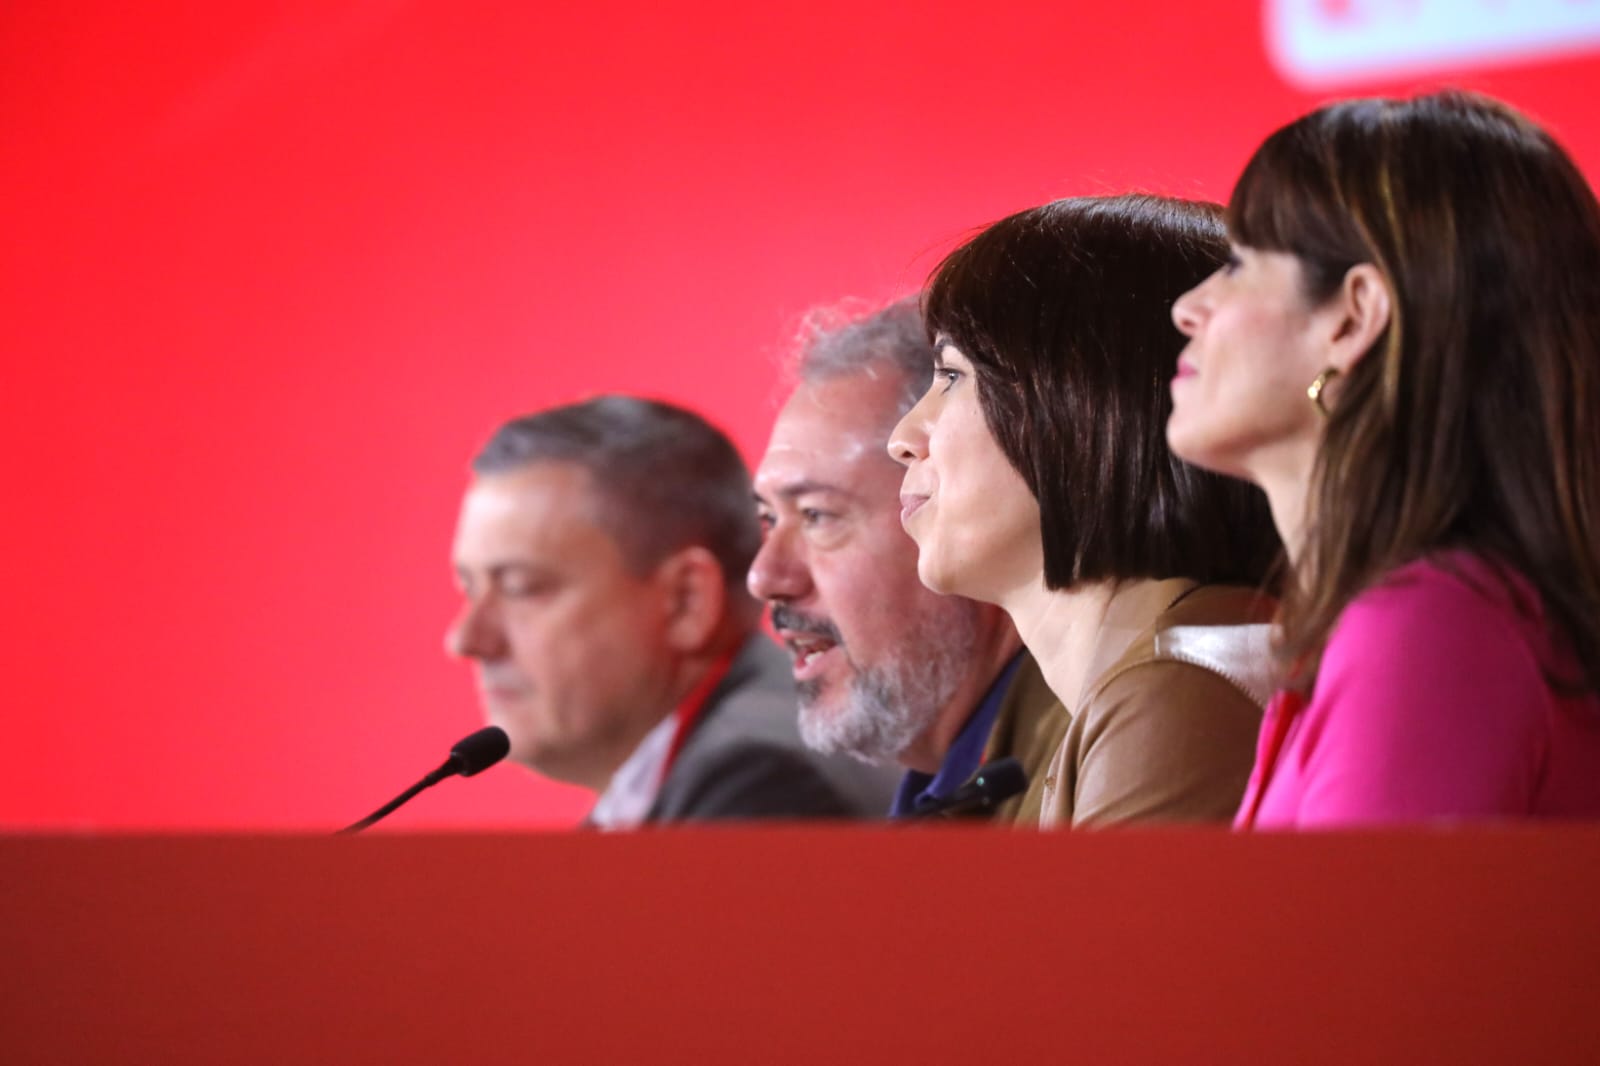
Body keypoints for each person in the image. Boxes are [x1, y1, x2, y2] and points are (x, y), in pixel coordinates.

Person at [1167, 91, 1600, 827]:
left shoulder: (1429, 626)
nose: (1187, 307)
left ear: (1355, 317)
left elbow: (1350, 913)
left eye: (1237, 264)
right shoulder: (1416, 620)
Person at [889, 194, 1282, 826]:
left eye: (952, 376)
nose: (903, 438)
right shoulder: (1139, 681)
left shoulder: (1179, 686)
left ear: (1087, 403)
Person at [446, 396, 898, 826]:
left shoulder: (763, 785)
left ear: (686, 601)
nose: (467, 640)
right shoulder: (714, 765)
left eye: (522, 588)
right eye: (469, 588)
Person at [748, 299, 1066, 822]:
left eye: (816, 515)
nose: (764, 577)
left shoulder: (1087, 763)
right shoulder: (958, 787)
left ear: (958, 505)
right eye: (767, 518)